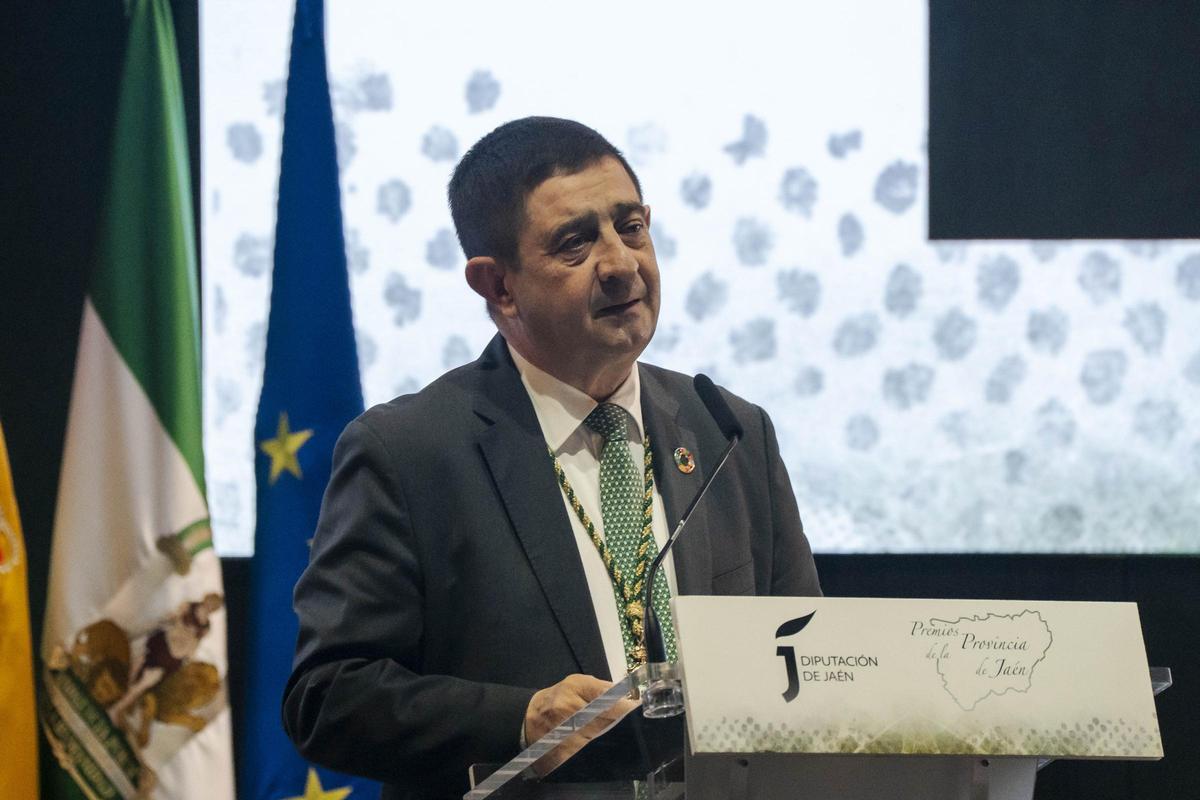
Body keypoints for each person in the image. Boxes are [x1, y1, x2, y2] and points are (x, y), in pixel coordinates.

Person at [283, 117, 821, 800]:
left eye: (632, 227)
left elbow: (805, 657)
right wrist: (519, 718)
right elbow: (328, 696)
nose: (622, 263)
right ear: (497, 286)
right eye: (575, 243)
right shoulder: (410, 453)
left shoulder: (730, 432)